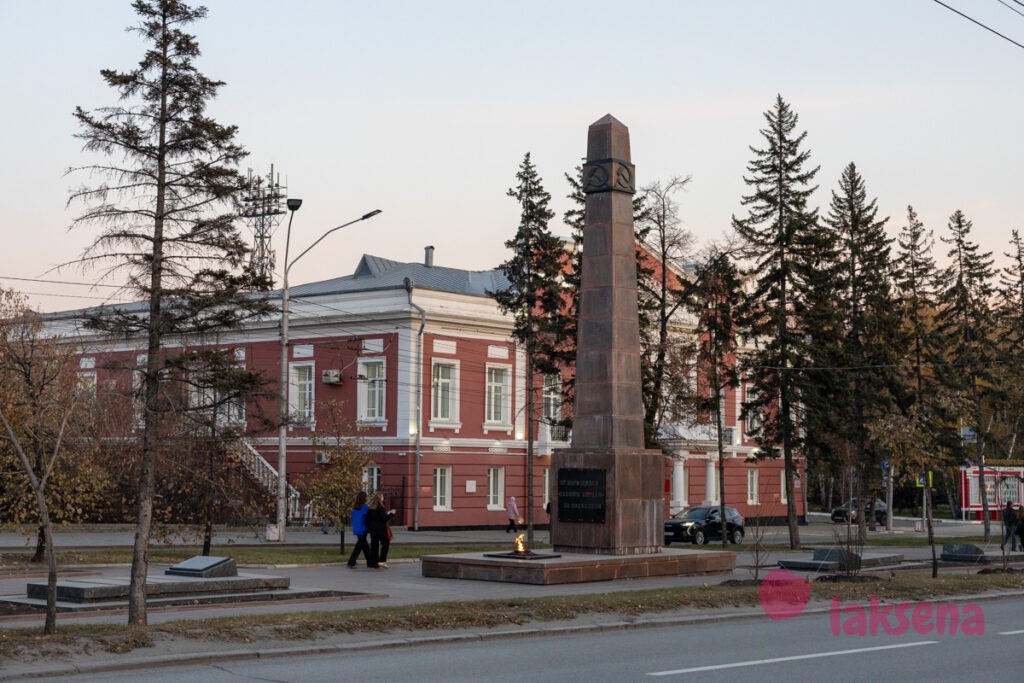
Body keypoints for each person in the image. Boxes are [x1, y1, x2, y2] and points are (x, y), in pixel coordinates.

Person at [367, 492, 395, 569]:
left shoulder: (370, 508)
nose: (383, 498)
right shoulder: (381, 508)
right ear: (380, 498)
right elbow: (384, 518)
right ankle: (382, 561)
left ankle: (373, 564)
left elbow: (367, 519)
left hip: (373, 529)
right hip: (381, 529)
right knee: (385, 544)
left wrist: (369, 528)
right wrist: (391, 514)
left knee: (374, 546)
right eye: (382, 497)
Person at [347, 491, 373, 569]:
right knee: (359, 547)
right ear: (364, 498)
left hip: (357, 528)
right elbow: (369, 517)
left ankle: (370, 562)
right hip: (363, 529)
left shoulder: (355, 507)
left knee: (365, 546)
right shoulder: (365, 507)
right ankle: (351, 562)